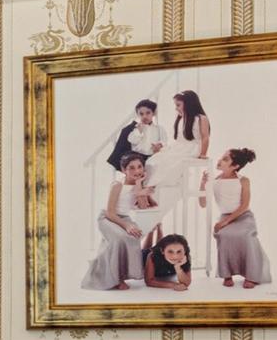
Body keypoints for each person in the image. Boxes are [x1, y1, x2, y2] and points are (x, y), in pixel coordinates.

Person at [147, 89, 211, 261]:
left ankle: (158, 184)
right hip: (180, 146)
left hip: (192, 147)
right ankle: (151, 188)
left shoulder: (200, 118)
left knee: (172, 163)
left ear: (188, 103)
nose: (176, 108)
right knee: (153, 161)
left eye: (178, 105)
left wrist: (203, 153)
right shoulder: (181, 118)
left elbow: (205, 137)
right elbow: (178, 140)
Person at [83, 153, 159, 291]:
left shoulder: (140, 185)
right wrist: (127, 225)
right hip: (108, 218)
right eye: (131, 168)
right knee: (120, 239)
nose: (137, 171)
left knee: (134, 237)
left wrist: (139, 187)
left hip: (124, 218)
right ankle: (116, 280)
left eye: (139, 167)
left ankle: (120, 274)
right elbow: (110, 212)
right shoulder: (117, 185)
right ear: (124, 170)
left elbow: (143, 207)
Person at [210, 148, 272, 289]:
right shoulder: (215, 181)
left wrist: (225, 222)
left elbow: (244, 205)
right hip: (225, 216)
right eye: (221, 157)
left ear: (235, 166)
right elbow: (202, 203)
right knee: (224, 235)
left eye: (225, 159)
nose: (220, 160)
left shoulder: (243, 180)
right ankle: (227, 274)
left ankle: (251, 275)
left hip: (243, 216)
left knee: (244, 235)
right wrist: (203, 185)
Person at [106, 98, 162, 172]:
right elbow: (132, 140)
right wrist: (139, 132)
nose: (144, 116)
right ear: (138, 115)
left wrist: (159, 146)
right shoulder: (135, 128)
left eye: (148, 113)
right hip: (137, 156)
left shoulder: (158, 129)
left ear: (153, 113)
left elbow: (163, 141)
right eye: (141, 114)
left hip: (150, 156)